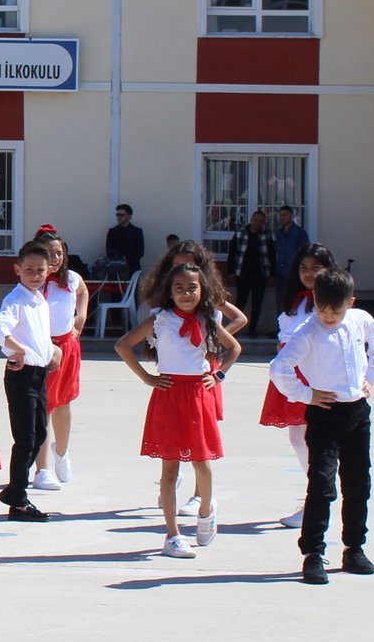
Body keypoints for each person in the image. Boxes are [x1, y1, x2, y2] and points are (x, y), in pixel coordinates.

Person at [271, 267, 374, 585]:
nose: (329, 317)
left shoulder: (360, 319)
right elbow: (279, 367)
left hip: (357, 413)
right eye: (323, 310)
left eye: (336, 312)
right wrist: (306, 394)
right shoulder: (308, 332)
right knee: (322, 485)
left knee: (358, 485)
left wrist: (371, 378)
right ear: (315, 300)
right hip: (324, 413)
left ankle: (354, 548)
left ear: (350, 303)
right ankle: (313, 552)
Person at [115, 257, 241, 559]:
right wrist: (147, 378)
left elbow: (234, 348)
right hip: (169, 394)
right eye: (179, 288)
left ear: (202, 290)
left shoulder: (207, 318)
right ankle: (172, 534)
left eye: (192, 288)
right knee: (169, 469)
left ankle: (206, 511)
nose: (186, 293)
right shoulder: (160, 319)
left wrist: (218, 374)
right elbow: (123, 345)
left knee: (202, 462)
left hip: (197, 394)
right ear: (169, 291)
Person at [263, 243, 334, 528]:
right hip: (291, 374)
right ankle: (316, 493)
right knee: (298, 438)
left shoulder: (330, 302)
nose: (309, 274)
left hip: (315, 373)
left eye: (316, 268)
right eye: (304, 268)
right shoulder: (295, 300)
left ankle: (317, 498)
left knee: (315, 439)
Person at [0, 241, 60, 524]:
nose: (34, 274)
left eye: (40, 270)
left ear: (49, 271)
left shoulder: (40, 299)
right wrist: (15, 349)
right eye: (29, 269)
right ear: (17, 269)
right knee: (26, 438)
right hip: (22, 375)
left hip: (40, 374)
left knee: (40, 434)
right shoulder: (15, 300)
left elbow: (38, 334)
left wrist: (52, 349)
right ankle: (18, 500)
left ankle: (14, 490)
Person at [33, 226, 88, 492]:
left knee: (64, 405)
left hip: (67, 348)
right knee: (43, 408)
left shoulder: (72, 279)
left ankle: (62, 453)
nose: (55, 259)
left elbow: (83, 293)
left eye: (59, 253)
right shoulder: (32, 281)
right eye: (49, 254)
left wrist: (80, 318)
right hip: (41, 351)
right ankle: (41, 468)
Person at [228, 209, 274, 335]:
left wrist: (272, 274)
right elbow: (232, 253)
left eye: (260, 221)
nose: (257, 223)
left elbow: (271, 255)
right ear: (251, 220)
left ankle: (252, 329)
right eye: (255, 220)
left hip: (260, 275)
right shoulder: (240, 233)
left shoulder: (266, 235)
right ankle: (235, 330)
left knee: (257, 304)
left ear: (263, 223)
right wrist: (230, 271)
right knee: (240, 303)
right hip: (243, 275)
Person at [271, 206, 310, 295]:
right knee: (280, 302)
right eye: (280, 215)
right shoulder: (279, 233)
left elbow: (306, 252)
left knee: (294, 300)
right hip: (280, 274)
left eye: (285, 215)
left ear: (291, 216)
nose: (282, 218)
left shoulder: (299, 233)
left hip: (294, 273)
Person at [103, 203, 146, 279]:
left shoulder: (137, 232)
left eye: (122, 215)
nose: (119, 217)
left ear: (129, 216)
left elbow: (140, 252)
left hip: (132, 269)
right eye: (117, 215)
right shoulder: (112, 232)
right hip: (115, 270)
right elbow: (109, 251)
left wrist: (127, 259)